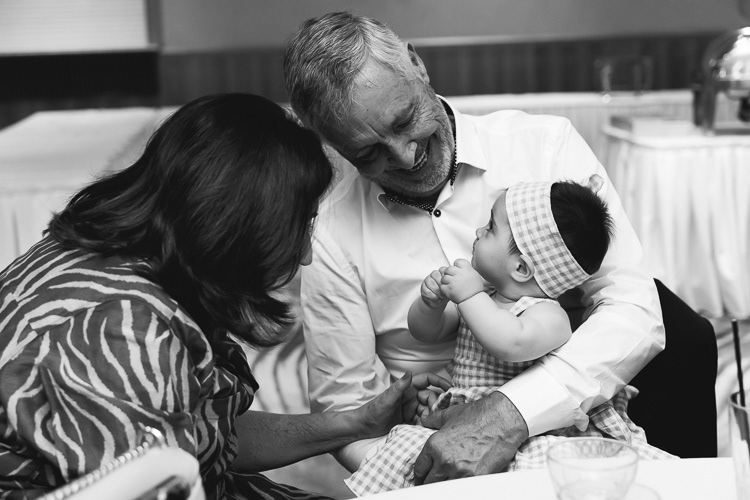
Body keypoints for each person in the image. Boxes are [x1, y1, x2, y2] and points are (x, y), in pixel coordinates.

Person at [0, 93, 446, 500]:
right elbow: (161, 479)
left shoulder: (125, 252)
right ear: (239, 228)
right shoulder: (123, 332)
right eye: (301, 227)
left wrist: (354, 422)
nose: (306, 255)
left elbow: (205, 436)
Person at [283, 11, 667, 483]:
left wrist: (512, 414)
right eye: (368, 153)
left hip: (564, 428)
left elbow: (632, 309)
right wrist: (426, 470)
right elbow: (346, 408)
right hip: (424, 453)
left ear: (417, 65)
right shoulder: (328, 231)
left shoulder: (544, 148)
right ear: (334, 147)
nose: (404, 155)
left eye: (405, 120)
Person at [345, 179, 672, 496]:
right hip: (466, 418)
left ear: (521, 268)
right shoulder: (484, 296)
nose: (477, 231)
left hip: (527, 431)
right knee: (410, 452)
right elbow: (427, 333)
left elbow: (510, 344)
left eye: (490, 228)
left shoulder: (548, 316)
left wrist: (469, 296)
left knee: (530, 474)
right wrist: (430, 305)